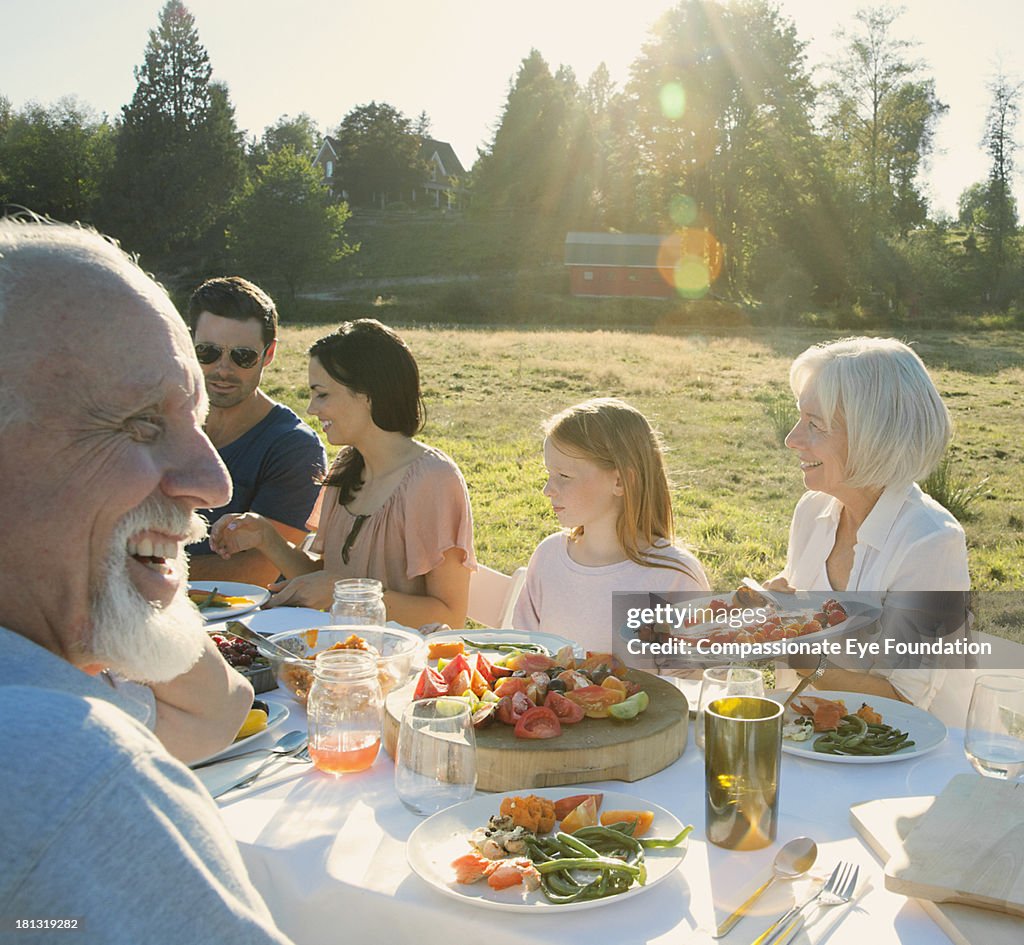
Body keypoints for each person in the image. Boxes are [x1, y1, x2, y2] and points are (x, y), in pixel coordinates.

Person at [0, 216, 292, 944]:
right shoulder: (71, 766)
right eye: (137, 424)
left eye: (194, 417)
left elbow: (216, 711)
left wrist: (122, 579)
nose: (211, 481)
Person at [209, 318, 476, 628]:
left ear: (367, 394)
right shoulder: (346, 468)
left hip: (403, 667)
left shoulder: (433, 480)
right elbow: (323, 579)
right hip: (341, 658)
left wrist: (344, 592)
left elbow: (450, 617)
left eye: (322, 394)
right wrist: (267, 538)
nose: (311, 408)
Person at [764, 336, 971, 709]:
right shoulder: (812, 511)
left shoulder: (931, 543)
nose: (791, 439)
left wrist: (804, 659)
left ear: (873, 437)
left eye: (814, 424)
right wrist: (777, 611)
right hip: (811, 743)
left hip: (901, 758)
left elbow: (903, 700)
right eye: (799, 417)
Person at [512, 398, 709, 653]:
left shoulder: (674, 578)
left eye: (564, 476)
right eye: (548, 474)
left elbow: (691, 685)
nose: (548, 490)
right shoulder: (548, 557)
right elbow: (522, 659)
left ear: (620, 481)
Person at [186, 276, 327, 587]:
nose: (223, 369)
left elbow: (255, 573)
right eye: (207, 352)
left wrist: (128, 576)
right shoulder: (157, 421)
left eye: (243, 356)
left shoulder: (292, 447)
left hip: (235, 626)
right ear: (187, 344)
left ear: (269, 354)